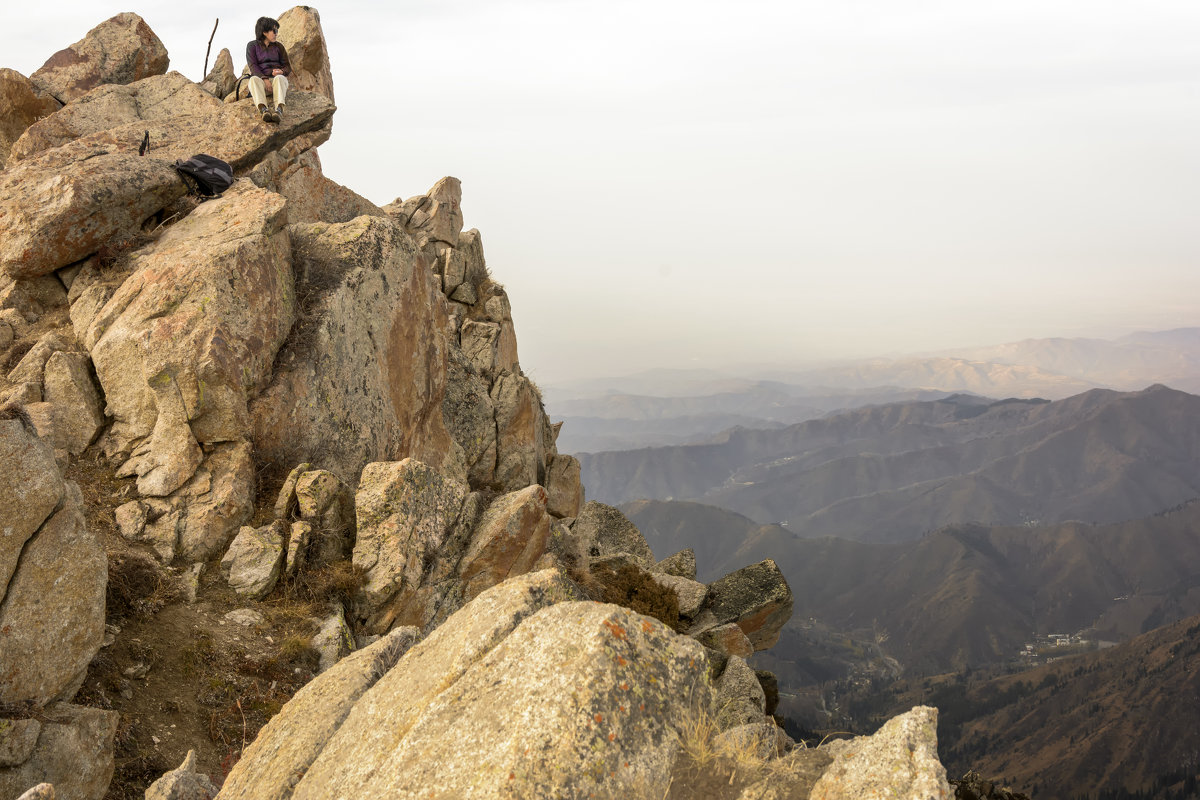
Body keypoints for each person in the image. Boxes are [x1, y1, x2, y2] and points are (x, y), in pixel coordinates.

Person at [246, 16, 290, 123]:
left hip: (277, 83)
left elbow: (288, 67)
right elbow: (253, 66)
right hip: (262, 83)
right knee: (253, 80)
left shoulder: (279, 47)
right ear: (265, 32)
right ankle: (263, 110)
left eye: (277, 31)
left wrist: (282, 71)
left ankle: (279, 110)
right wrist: (265, 79)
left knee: (280, 78)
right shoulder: (252, 46)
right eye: (274, 30)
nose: (276, 33)